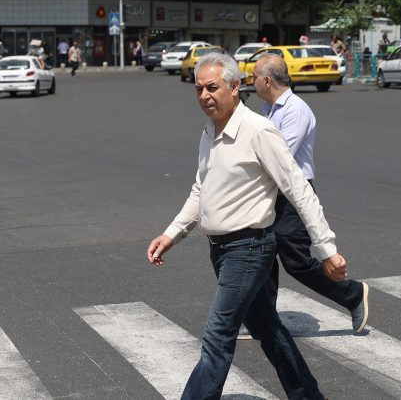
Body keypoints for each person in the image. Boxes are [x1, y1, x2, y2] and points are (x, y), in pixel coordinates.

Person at [146, 54, 346, 399]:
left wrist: (326, 248)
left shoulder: (259, 131)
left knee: (218, 334)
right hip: (221, 250)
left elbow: (298, 190)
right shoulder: (209, 132)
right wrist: (171, 233)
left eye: (212, 87)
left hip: (249, 248)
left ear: (235, 87)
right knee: (268, 330)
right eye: (199, 89)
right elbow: (201, 189)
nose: (204, 96)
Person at [248, 55, 368, 335]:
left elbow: (280, 156)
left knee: (296, 261)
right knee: (264, 253)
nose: (251, 82)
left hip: (294, 194)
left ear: (267, 80)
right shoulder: (269, 108)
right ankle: (264, 322)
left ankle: (352, 293)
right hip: (273, 191)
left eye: (254, 77)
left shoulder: (295, 111)